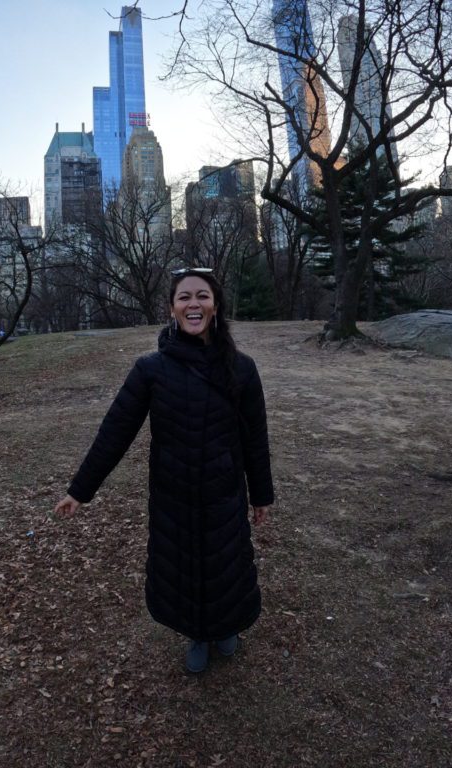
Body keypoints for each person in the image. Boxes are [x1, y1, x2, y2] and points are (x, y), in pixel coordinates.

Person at [54, 267, 274, 674]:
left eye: (202, 296)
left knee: (227, 564)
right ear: (172, 308)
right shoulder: (151, 369)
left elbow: (255, 439)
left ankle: (226, 628)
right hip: (174, 493)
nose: (194, 304)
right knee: (183, 567)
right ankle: (196, 634)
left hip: (224, 491)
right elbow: (115, 431)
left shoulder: (241, 368)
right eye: (184, 297)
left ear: (216, 305)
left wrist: (261, 495)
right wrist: (80, 490)